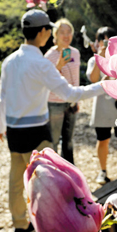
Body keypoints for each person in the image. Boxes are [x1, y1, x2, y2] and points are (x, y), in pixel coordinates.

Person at [0, 9, 104, 232]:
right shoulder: (41, 64)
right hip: (37, 132)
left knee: (15, 181)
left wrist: (1, 126)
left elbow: (1, 98)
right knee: (47, 188)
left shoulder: (10, 61)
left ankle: (20, 229)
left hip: (14, 130)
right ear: (43, 32)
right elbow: (71, 94)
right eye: (49, 29)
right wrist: (105, 86)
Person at [86, 26, 117, 185]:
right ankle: (103, 171)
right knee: (102, 140)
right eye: (102, 40)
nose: (105, 44)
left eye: (108, 40)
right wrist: (100, 59)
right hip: (101, 107)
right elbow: (94, 81)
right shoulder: (94, 60)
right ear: (97, 42)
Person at [45, 18, 79, 164]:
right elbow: (46, 81)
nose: (66, 35)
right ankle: (54, 172)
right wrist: (58, 66)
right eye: (62, 32)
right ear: (55, 35)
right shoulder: (49, 56)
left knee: (69, 142)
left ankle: (70, 172)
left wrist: (76, 100)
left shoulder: (75, 53)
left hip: (71, 103)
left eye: (69, 32)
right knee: (53, 143)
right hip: (54, 104)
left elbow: (76, 79)